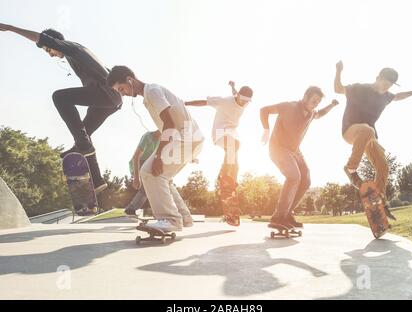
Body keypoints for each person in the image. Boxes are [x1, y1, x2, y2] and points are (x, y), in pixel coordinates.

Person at [0, 23, 123, 193]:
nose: (50, 55)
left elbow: (41, 38)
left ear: (54, 43)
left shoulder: (71, 47)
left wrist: (10, 28)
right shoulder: (79, 53)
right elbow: (104, 70)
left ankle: (83, 146)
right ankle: (97, 180)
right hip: (111, 100)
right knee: (83, 135)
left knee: (59, 97)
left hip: (105, 94)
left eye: (48, 50)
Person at [107, 66, 204, 232]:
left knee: (149, 172)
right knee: (161, 176)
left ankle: (171, 220)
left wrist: (159, 156)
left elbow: (169, 123)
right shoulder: (148, 96)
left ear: (130, 80)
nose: (123, 94)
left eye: (122, 89)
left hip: (184, 138)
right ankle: (184, 217)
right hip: (189, 139)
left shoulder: (152, 91)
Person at [335, 60, 412, 220]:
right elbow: (338, 88)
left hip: (369, 136)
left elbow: (398, 96)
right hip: (351, 131)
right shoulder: (359, 88)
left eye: (390, 86)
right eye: (385, 84)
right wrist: (338, 71)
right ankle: (350, 169)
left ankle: (379, 204)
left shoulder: (386, 96)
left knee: (383, 166)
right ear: (377, 77)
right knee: (366, 129)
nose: (386, 88)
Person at [260, 87, 339, 228]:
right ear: (305, 97)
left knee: (306, 180)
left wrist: (332, 105)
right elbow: (264, 110)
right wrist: (266, 129)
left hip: (295, 151)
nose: (315, 104)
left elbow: (321, 114)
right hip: (278, 148)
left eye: (318, 102)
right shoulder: (288, 106)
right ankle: (278, 216)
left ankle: (287, 213)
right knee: (294, 176)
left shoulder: (311, 113)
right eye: (313, 101)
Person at [185, 81, 253, 184]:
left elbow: (234, 92)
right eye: (243, 100)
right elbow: (204, 102)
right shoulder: (223, 101)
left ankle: (230, 187)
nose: (243, 103)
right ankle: (223, 175)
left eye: (246, 101)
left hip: (232, 133)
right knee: (234, 145)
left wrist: (232, 86)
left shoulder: (243, 101)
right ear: (239, 95)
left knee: (235, 163)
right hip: (219, 132)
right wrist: (186, 103)